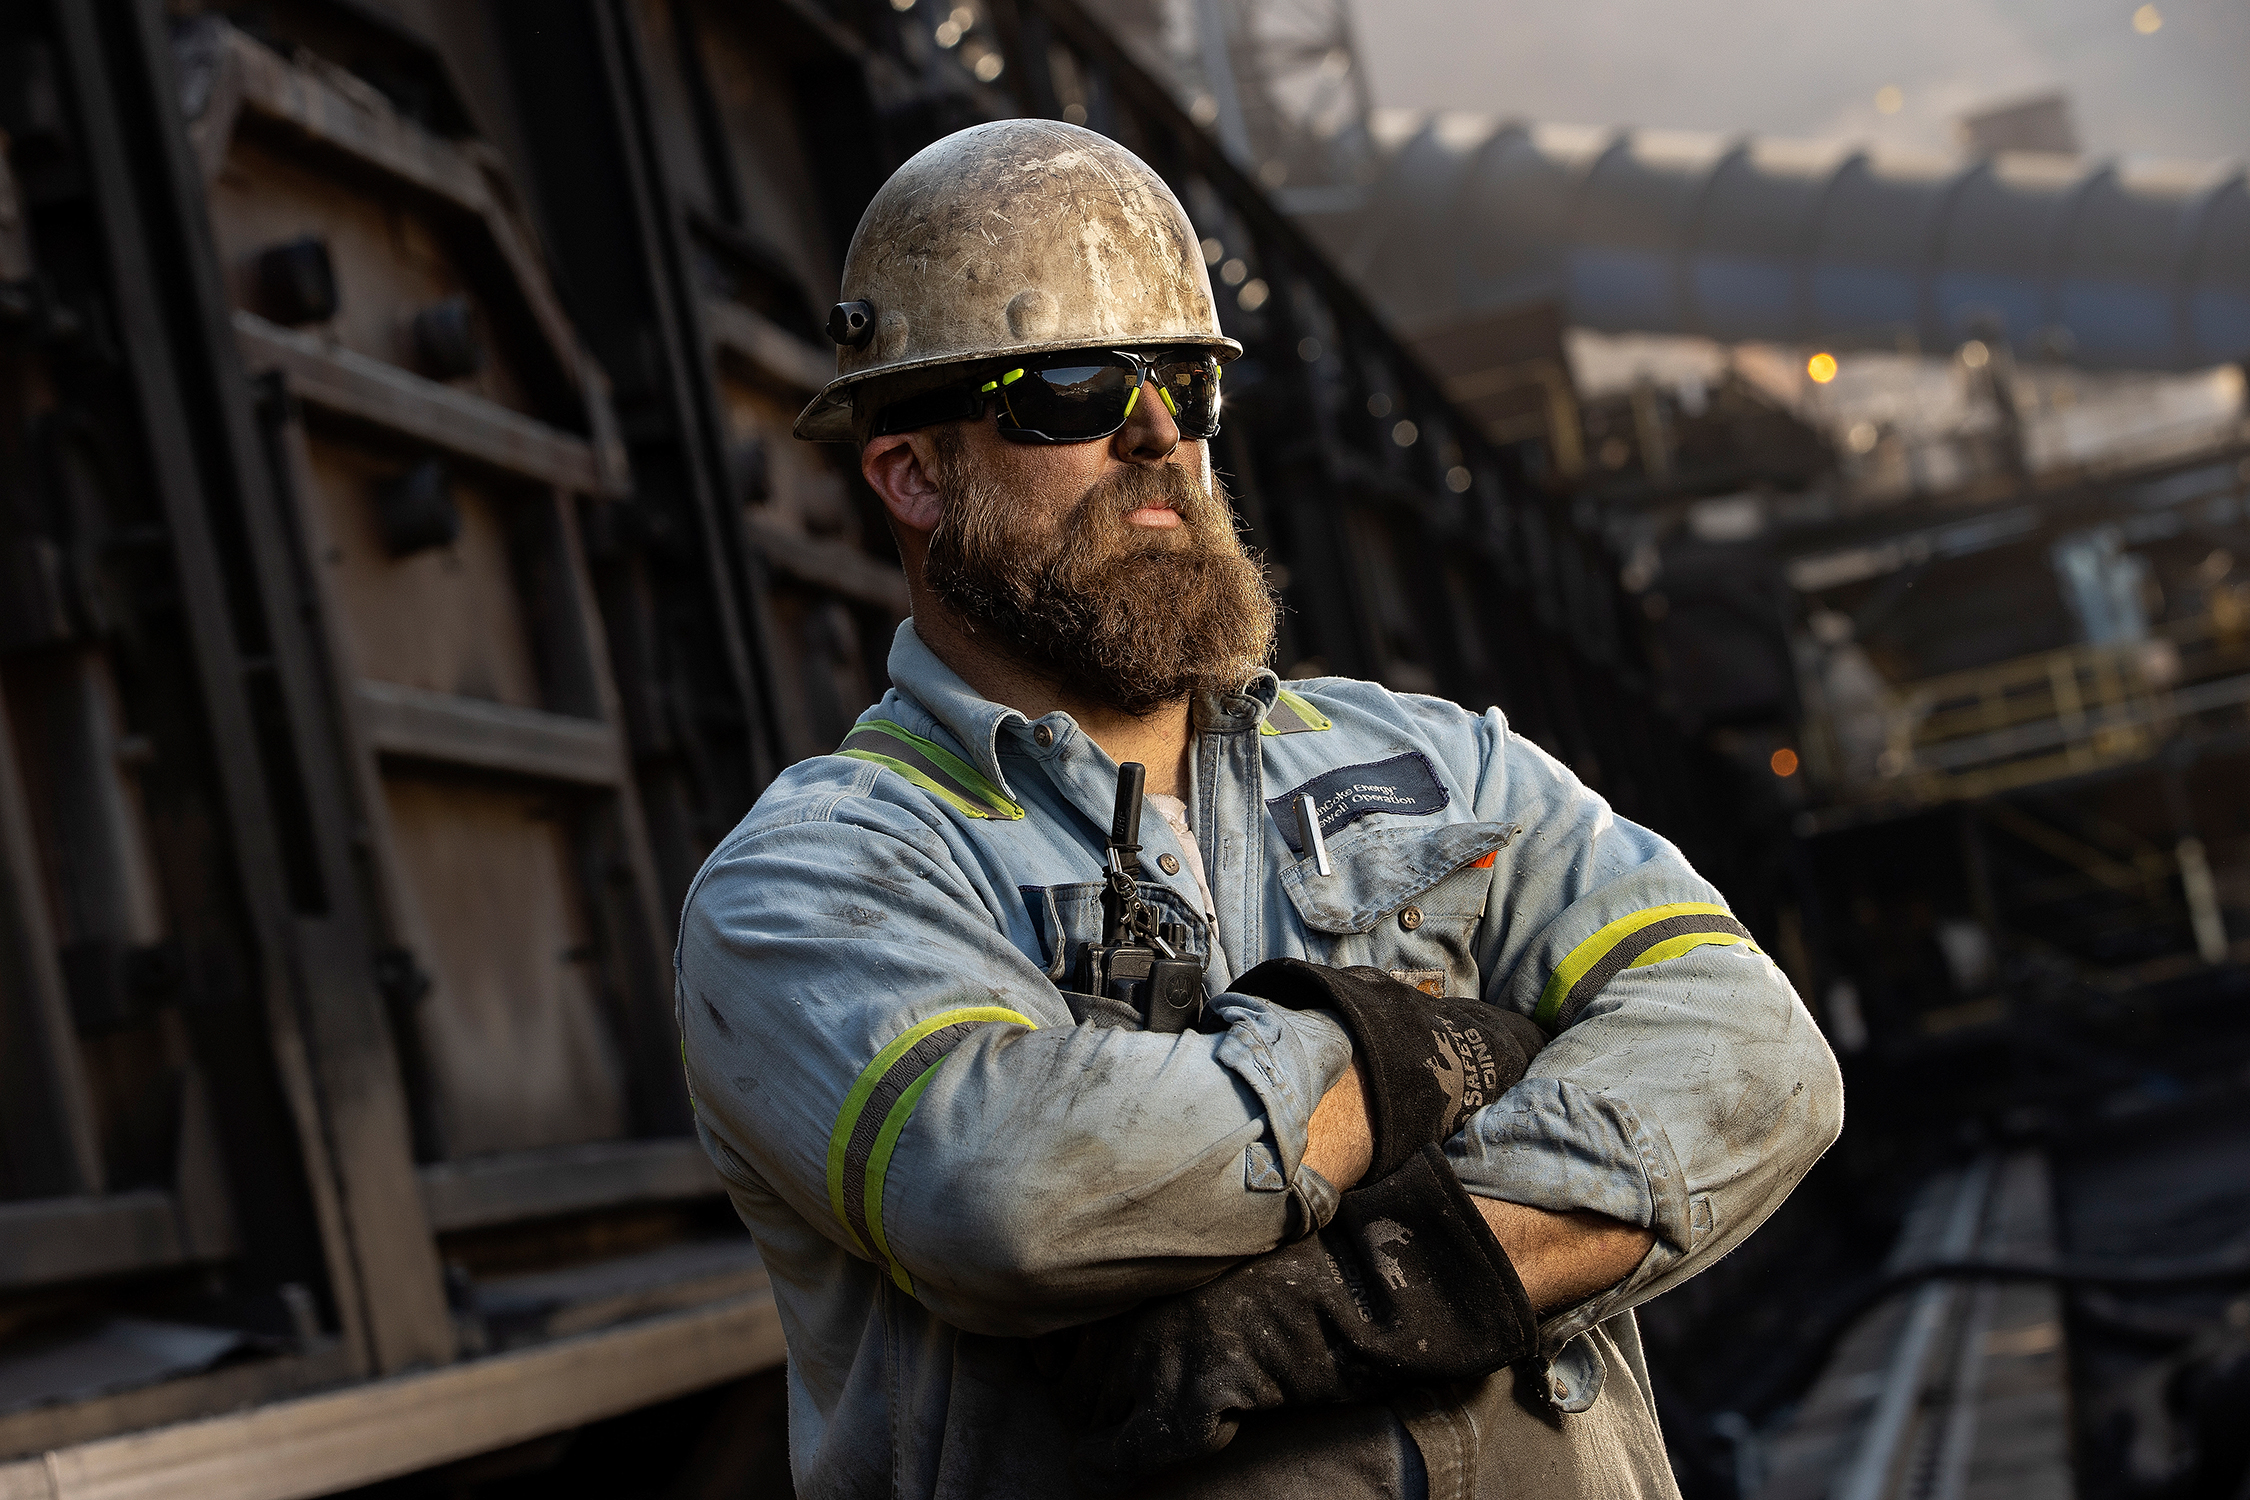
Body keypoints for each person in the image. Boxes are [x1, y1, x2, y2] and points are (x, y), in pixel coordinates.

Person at [677, 118, 1843, 1500]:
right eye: (1068, 388)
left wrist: (1382, 1291)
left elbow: (1758, 1056)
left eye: (1183, 380)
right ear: (915, 475)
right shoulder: (815, 882)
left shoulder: (1440, 766)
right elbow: (1006, 1195)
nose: (1157, 433)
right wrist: (1412, 1055)